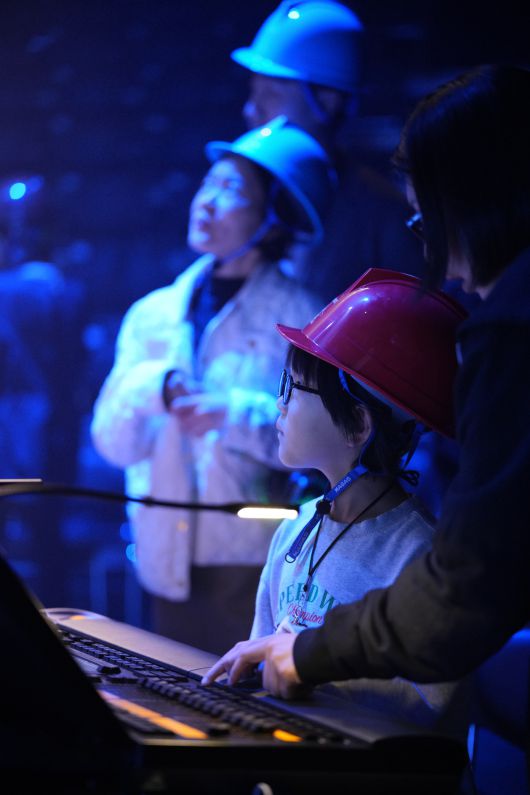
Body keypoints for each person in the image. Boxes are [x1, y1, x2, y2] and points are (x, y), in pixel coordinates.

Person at [198, 63, 530, 730]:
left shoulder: (512, 329)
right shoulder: (296, 533)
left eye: (424, 221)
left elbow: (466, 596)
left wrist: (316, 654)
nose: (437, 256)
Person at [90, 116, 336, 654]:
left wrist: (233, 412)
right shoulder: (152, 314)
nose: (207, 201)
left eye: (231, 191)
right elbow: (110, 442)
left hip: (255, 562)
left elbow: (323, 445)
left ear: (275, 217)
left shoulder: (302, 316)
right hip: (161, 562)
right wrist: (156, 387)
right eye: (208, 183)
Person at [202, 267, 470, 734]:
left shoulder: (418, 554)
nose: (279, 404)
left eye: (293, 388)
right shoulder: (297, 528)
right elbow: (259, 655)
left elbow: (441, 707)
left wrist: (316, 666)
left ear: (358, 425)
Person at [230, 0, 425, 305]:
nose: (251, 109)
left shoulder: (383, 216)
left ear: (327, 101)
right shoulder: (241, 197)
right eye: (253, 92)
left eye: (270, 93)